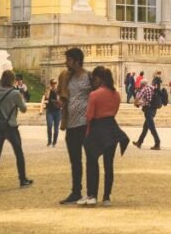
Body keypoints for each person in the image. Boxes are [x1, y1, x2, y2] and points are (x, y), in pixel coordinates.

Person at [82, 66, 129, 206]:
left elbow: (89, 116)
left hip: (97, 128)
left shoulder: (94, 95)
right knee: (109, 164)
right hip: (112, 128)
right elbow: (114, 112)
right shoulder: (116, 94)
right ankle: (107, 196)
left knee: (92, 161)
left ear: (98, 79)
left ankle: (92, 194)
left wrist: (87, 132)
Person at [0, 69, 34, 193]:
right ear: (13, 80)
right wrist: (20, 99)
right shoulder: (15, 93)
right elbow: (23, 109)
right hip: (11, 127)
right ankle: (22, 179)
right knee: (19, 153)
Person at [58, 47, 93, 204]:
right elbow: (64, 96)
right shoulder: (66, 77)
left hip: (86, 124)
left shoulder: (89, 77)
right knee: (75, 161)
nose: (66, 63)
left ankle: (91, 192)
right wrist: (61, 102)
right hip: (71, 124)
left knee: (90, 159)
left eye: (69, 60)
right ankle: (76, 191)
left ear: (77, 61)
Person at [132, 75, 161, 150]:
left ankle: (157, 143)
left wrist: (135, 103)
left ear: (142, 84)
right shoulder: (152, 87)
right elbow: (148, 99)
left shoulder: (144, 89)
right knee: (145, 127)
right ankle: (139, 142)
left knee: (152, 127)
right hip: (153, 109)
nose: (140, 85)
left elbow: (137, 98)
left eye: (140, 84)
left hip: (148, 110)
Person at [42, 78, 62, 147]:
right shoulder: (48, 91)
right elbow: (46, 97)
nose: (54, 84)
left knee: (56, 128)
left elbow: (59, 99)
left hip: (57, 112)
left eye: (55, 83)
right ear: (50, 84)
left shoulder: (58, 91)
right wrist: (49, 91)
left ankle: (54, 142)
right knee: (49, 126)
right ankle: (49, 141)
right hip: (50, 111)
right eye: (53, 83)